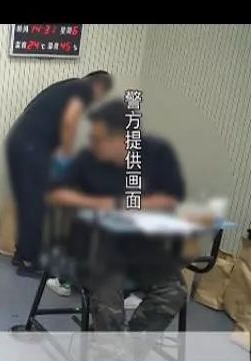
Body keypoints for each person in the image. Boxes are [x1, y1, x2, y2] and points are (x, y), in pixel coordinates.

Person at [46, 99, 187, 332]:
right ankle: (110, 346)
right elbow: (55, 195)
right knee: (107, 292)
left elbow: (169, 199)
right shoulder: (87, 161)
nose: (94, 142)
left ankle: (130, 347)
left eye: (99, 138)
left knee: (173, 288)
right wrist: (97, 203)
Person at [6, 71, 113, 277]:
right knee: (37, 204)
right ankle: (31, 262)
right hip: (31, 147)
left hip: (20, 143)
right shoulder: (83, 88)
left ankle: (22, 254)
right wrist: (66, 156)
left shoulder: (65, 87)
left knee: (28, 202)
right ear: (98, 85)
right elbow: (69, 122)